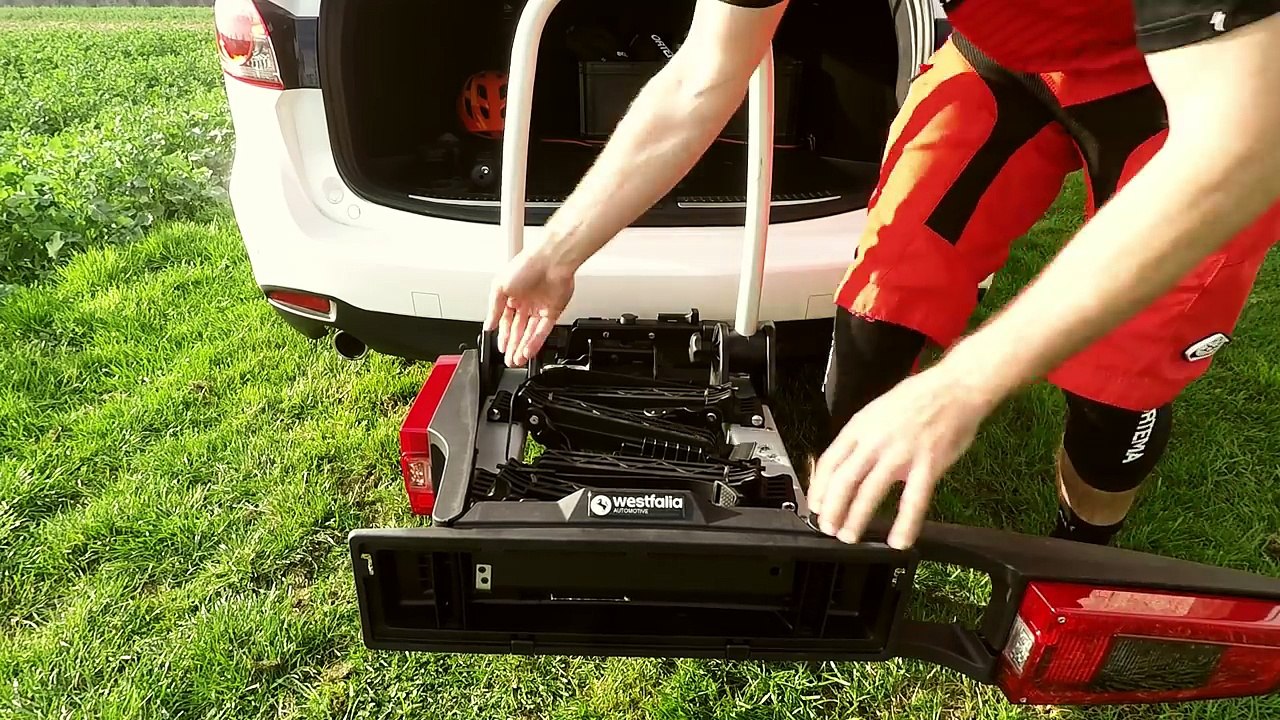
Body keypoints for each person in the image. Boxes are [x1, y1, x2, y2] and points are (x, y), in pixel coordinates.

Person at [484, 0, 1280, 550]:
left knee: (1119, 377)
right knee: (884, 298)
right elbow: (705, 74)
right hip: (1010, 47)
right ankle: (836, 528)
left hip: (1196, 90)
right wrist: (557, 251)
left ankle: (1083, 552)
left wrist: (963, 384)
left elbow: (1241, 150)